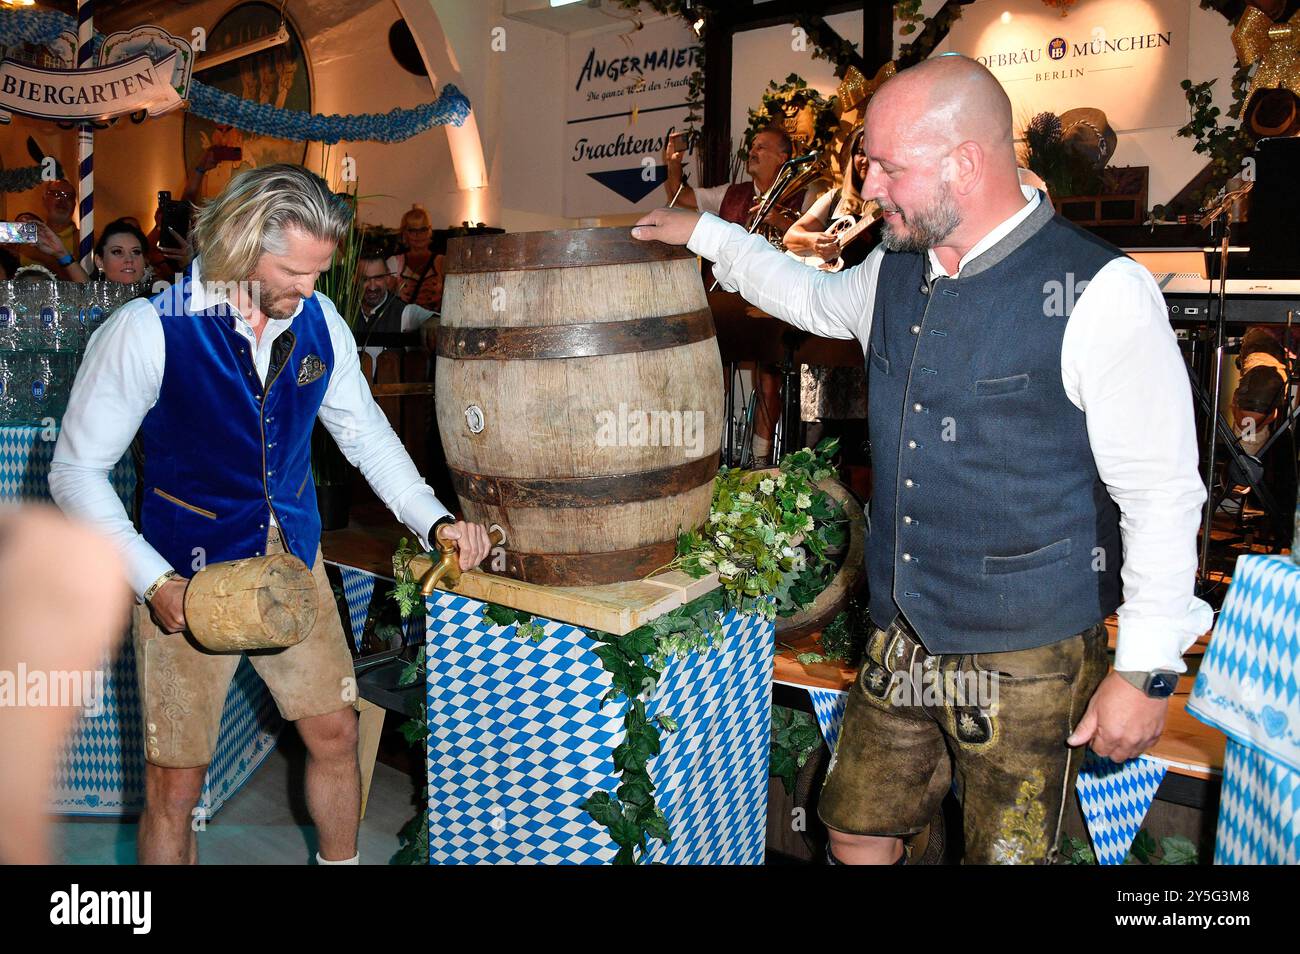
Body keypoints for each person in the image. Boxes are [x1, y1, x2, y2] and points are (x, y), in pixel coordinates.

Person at [633, 55, 1210, 865]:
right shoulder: (893, 268)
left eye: (886, 168)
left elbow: (1160, 495)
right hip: (904, 631)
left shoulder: (1102, 291)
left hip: (1028, 648)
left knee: (1010, 857)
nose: (867, 189)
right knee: (856, 826)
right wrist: (705, 231)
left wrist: (1147, 668)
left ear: (964, 164)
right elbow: (806, 296)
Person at [49, 163, 493, 866]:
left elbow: (365, 434)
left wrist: (432, 520)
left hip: (292, 559)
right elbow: (74, 471)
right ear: (239, 243)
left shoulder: (318, 320)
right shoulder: (146, 331)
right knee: (176, 783)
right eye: (294, 271)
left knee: (337, 734)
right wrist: (153, 582)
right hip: (183, 571)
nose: (311, 291)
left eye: (320, 272)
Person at [784, 126, 874, 270]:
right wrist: (813, 242)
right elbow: (790, 237)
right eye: (860, 153)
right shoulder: (836, 197)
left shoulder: (890, 204)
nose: (865, 160)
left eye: (872, 154)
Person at [356, 253, 437, 375]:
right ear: (354, 279)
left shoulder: (405, 313)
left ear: (388, 277)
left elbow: (433, 319)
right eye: (365, 279)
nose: (372, 286)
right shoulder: (342, 314)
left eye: (378, 278)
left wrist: (432, 322)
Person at [387, 205, 443, 311]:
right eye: (413, 230)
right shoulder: (394, 262)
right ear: (405, 233)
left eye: (423, 229)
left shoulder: (443, 262)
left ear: (429, 231)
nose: (418, 235)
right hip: (403, 324)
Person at [20, 179, 78, 269]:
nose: (62, 200)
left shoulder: (83, 240)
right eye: (56, 194)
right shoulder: (28, 232)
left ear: (74, 205)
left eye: (69, 196)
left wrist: (43, 257)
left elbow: (81, 281)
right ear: (44, 199)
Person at [91, 218, 150, 285]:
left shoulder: (161, 294)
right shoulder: (86, 295)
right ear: (99, 261)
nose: (129, 260)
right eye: (117, 252)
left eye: (136, 252)